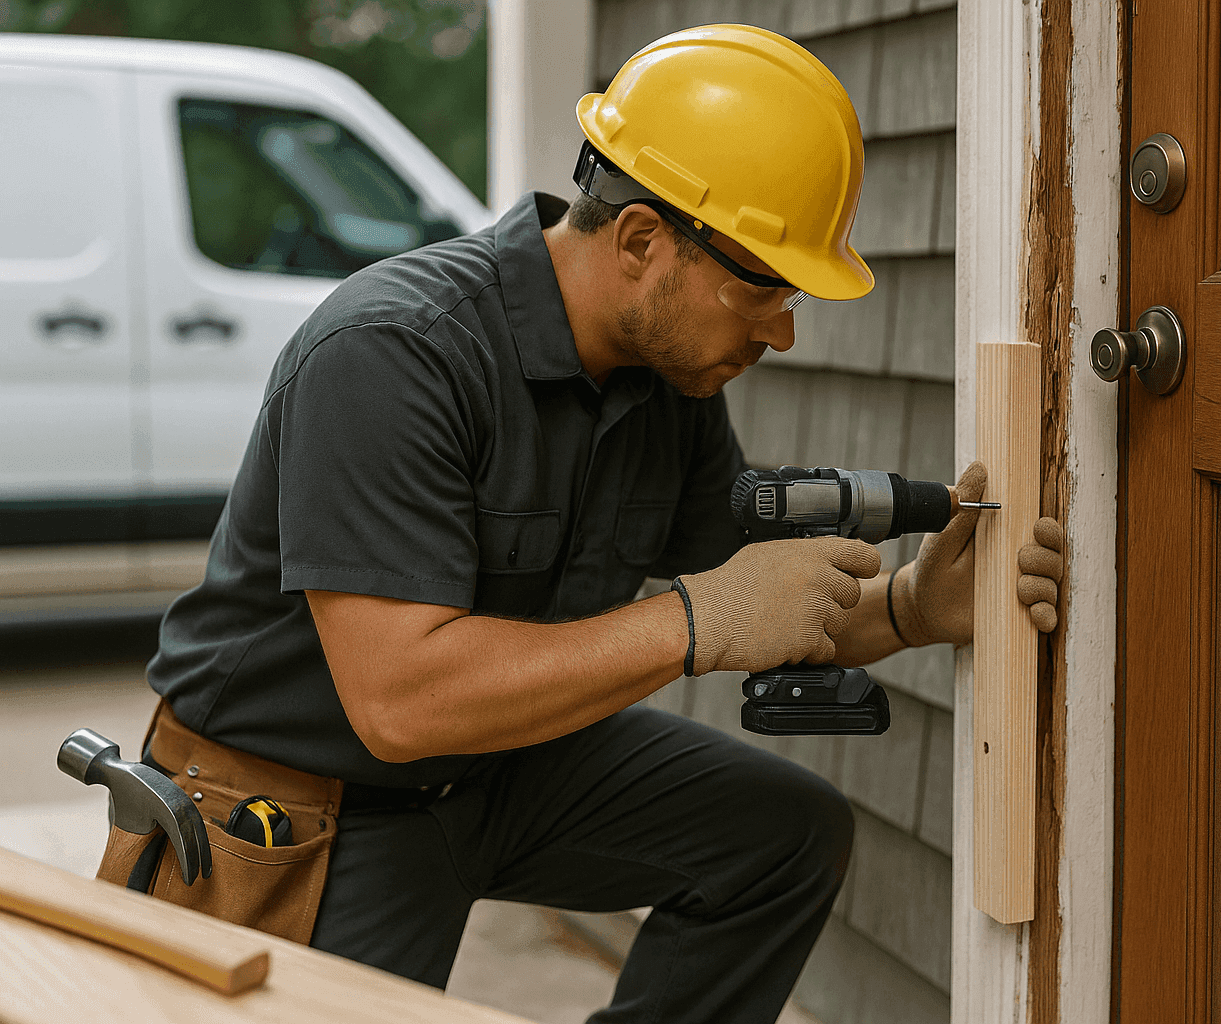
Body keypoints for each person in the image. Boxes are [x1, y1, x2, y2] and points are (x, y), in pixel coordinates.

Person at [140, 24, 1063, 1024]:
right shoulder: (394, 354)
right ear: (639, 243)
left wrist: (918, 603)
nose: (783, 328)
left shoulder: (666, 377)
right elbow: (399, 701)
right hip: (297, 807)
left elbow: (758, 601)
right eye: (762, 286)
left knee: (781, 835)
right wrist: (692, 624)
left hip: (497, 768)